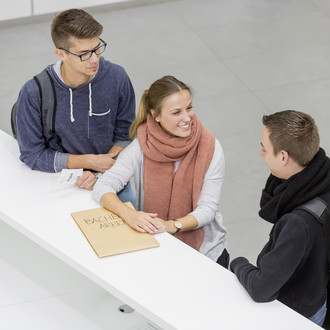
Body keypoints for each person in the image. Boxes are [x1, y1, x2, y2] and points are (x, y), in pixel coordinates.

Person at [93, 75, 228, 267]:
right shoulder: (141, 146)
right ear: (156, 115)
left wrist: (171, 225)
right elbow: (104, 186)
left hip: (207, 252)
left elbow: (208, 209)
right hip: (156, 246)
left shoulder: (211, 147)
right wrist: (129, 214)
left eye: (189, 108)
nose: (186, 118)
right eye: (176, 112)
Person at [15, 9, 136, 202]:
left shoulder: (117, 77)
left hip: (112, 178)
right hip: (62, 184)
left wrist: (99, 173)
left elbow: (125, 136)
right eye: (84, 54)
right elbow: (33, 155)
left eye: (97, 48)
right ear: (61, 54)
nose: (95, 59)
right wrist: (89, 162)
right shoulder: (33, 93)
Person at [230, 110, 330, 326]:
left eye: (264, 149)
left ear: (283, 157)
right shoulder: (324, 179)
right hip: (318, 296)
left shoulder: (298, 222)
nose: (261, 154)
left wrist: (238, 264)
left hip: (297, 317)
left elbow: (261, 289)